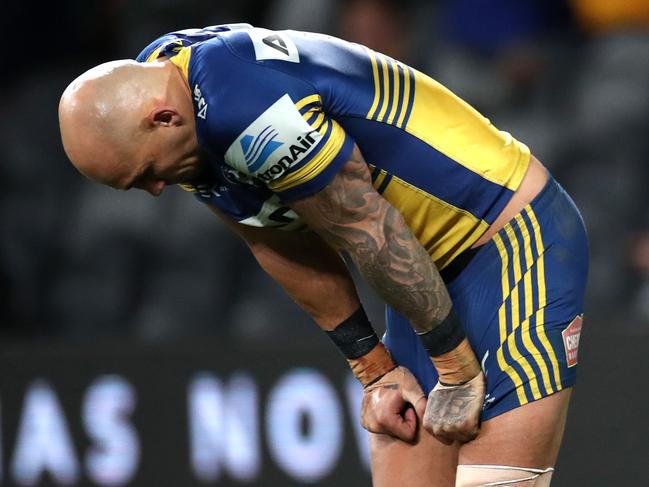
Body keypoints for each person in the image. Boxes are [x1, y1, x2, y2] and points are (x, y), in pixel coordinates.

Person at [58, 24, 588, 486]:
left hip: (511, 242)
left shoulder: (246, 105)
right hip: (421, 288)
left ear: (164, 118)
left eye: (146, 174)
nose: (155, 190)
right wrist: (376, 371)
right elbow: (274, 238)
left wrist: (457, 368)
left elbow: (366, 227)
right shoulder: (171, 97)